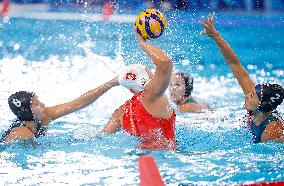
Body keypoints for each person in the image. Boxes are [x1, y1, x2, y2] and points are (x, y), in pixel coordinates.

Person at [199, 14, 284, 143]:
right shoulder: (255, 104)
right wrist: (216, 37)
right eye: (251, 92)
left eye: (251, 96)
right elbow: (234, 64)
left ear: (263, 105)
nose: (247, 95)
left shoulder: (273, 130)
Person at [100, 27, 176, 150]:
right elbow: (165, 63)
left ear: (131, 90)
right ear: (147, 81)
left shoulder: (121, 111)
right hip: (165, 156)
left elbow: (101, 137)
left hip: (140, 156)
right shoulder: (154, 96)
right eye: (149, 72)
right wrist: (142, 42)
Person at [0, 77, 119, 143]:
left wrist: (112, 82)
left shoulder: (43, 116)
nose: (42, 104)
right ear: (28, 111)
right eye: (36, 104)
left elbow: (78, 103)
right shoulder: (21, 134)